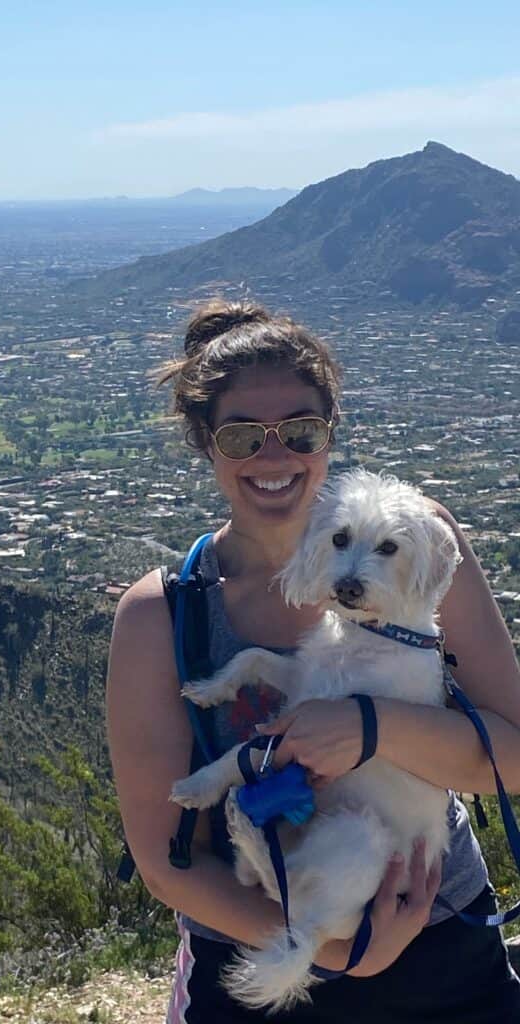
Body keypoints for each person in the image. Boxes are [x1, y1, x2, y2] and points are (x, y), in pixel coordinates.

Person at [106, 299, 520, 1022]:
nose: (276, 456)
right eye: (242, 435)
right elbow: (165, 858)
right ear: (206, 442)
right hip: (260, 957)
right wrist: (331, 950)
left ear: (329, 434)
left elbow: (514, 757)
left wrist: (370, 726)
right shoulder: (162, 614)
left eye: (300, 430)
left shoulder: (416, 541)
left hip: (445, 946)